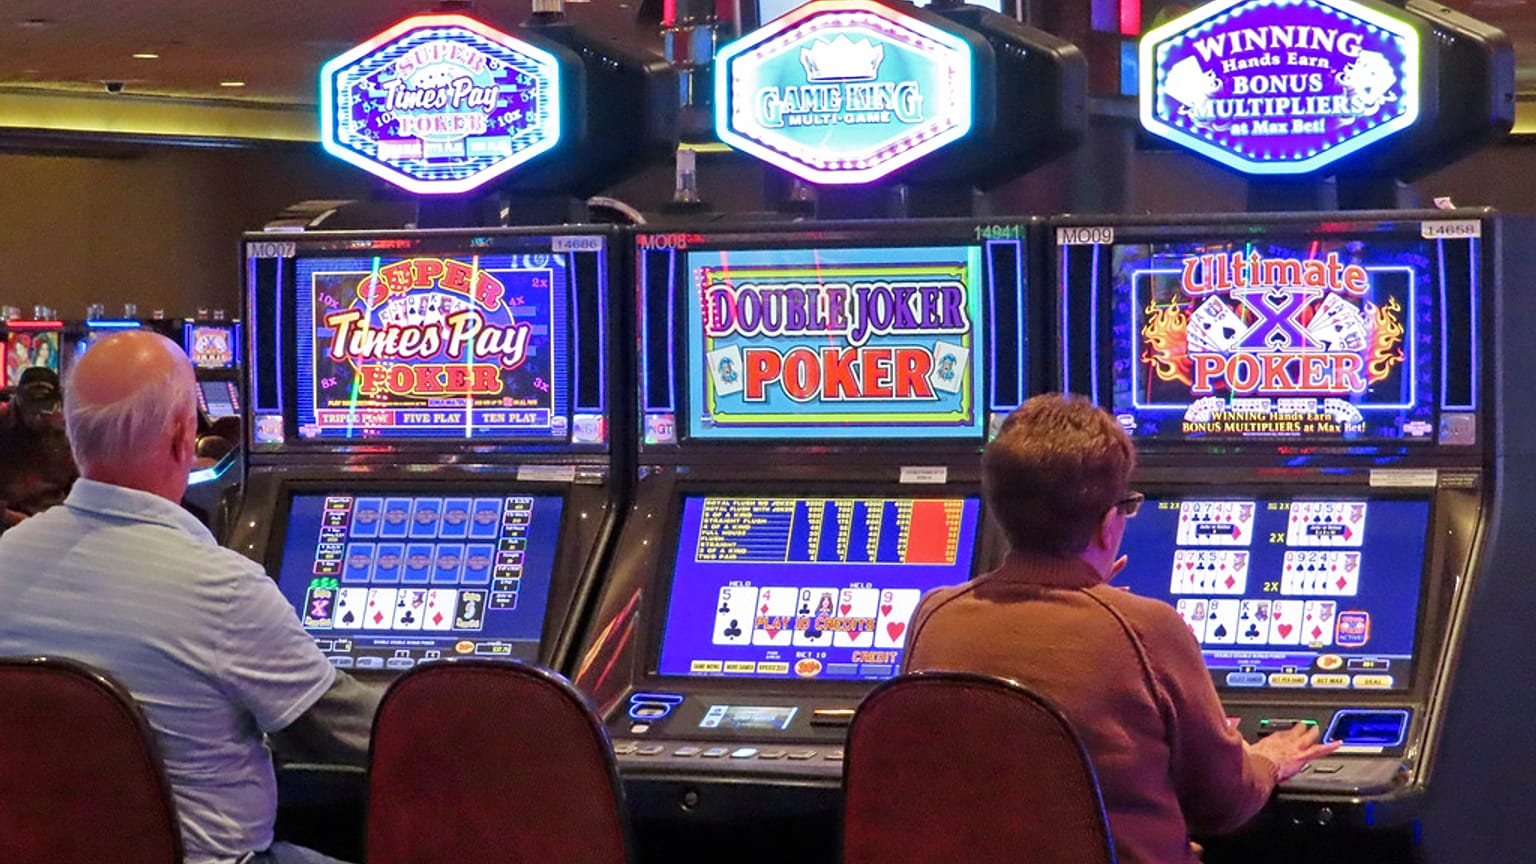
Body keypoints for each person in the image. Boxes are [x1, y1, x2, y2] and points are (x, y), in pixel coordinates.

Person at [901, 393, 1339, 864]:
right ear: (1107, 525)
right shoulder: (1146, 628)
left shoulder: (934, 616)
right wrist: (1269, 760)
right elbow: (1222, 804)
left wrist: (1087, 596)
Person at [0, 331, 380, 864]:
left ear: (73, 437)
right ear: (183, 437)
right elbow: (357, 734)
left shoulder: (4, 559)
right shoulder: (222, 589)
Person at [0, 366, 77, 533]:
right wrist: (7, 516)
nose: (37, 416)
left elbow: (78, 488)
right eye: (31, 408)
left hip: (52, 525)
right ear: (17, 398)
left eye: (44, 409)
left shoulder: (65, 431)